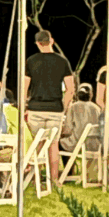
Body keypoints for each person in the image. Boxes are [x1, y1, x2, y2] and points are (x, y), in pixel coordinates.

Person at [24, 29, 75, 180]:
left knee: (37, 143)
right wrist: (63, 108)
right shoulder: (62, 61)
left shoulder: (31, 61)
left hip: (35, 108)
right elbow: (70, 89)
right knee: (53, 144)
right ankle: (54, 180)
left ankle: (34, 179)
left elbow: (24, 88)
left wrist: (24, 107)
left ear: (38, 44)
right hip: (55, 109)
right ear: (51, 41)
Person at [60, 84, 102, 153]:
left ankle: (69, 164)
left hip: (77, 144)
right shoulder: (97, 108)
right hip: (94, 145)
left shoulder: (73, 107)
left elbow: (68, 130)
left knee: (58, 144)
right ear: (91, 95)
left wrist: (61, 133)